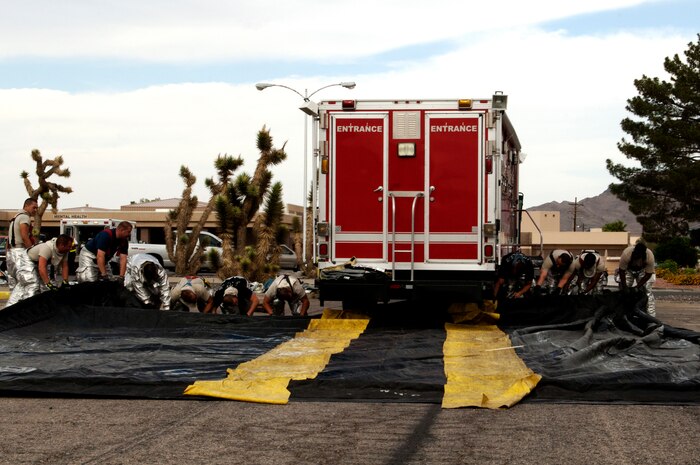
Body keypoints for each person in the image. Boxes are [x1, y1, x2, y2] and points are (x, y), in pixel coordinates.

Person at [6, 234, 72, 306]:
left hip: (38, 263)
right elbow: (41, 267)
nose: (71, 248)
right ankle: (28, 308)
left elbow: (65, 266)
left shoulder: (65, 252)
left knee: (48, 288)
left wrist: (65, 282)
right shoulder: (47, 248)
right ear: (62, 245)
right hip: (27, 260)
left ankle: (11, 306)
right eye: (69, 246)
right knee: (32, 284)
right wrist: (48, 284)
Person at [6, 198, 39, 293]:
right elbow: (24, 236)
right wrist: (31, 251)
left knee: (14, 284)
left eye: (37, 208)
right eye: (34, 207)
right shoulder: (25, 217)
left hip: (11, 252)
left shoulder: (15, 217)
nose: (35, 210)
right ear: (26, 206)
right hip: (20, 251)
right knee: (29, 282)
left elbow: (9, 237)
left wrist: (7, 252)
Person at [618, 242, 656, 316]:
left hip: (643, 271)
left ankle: (650, 316)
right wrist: (625, 286)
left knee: (647, 291)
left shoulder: (650, 256)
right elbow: (622, 271)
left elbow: (648, 274)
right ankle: (622, 313)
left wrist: (638, 287)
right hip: (628, 270)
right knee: (622, 291)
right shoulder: (626, 253)